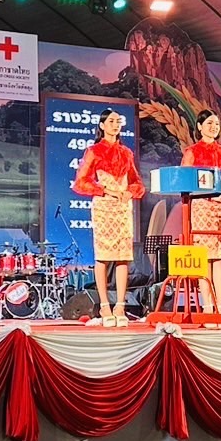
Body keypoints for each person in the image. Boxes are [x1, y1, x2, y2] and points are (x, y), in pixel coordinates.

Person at [71, 109, 145, 326]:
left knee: (123, 257)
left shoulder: (126, 153)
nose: (115, 124)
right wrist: (105, 190)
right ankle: (104, 306)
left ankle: (120, 305)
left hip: (122, 208)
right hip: (104, 207)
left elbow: (137, 183)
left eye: (118, 121)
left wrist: (129, 192)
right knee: (103, 256)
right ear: (102, 125)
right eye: (111, 121)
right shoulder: (94, 151)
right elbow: (81, 182)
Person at [180, 109, 221, 310]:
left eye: (216, 124)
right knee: (205, 256)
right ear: (199, 127)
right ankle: (207, 307)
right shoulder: (192, 152)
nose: (214, 127)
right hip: (202, 208)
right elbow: (185, 182)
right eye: (209, 124)